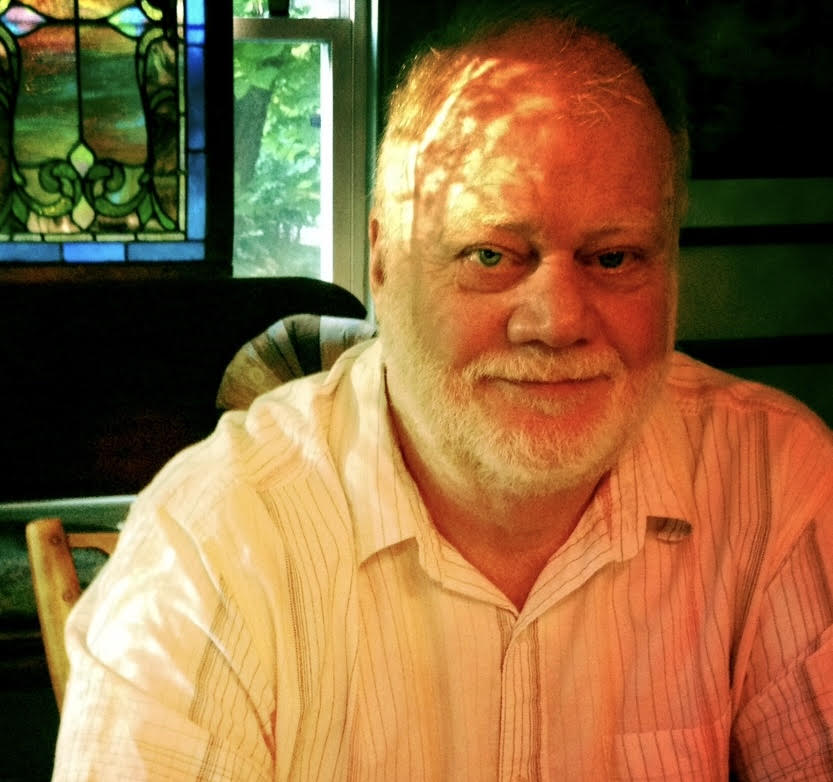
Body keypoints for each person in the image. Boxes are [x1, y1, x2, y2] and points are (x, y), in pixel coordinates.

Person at [52, 3, 833, 780]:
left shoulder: (776, 486)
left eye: (616, 257)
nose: (558, 322)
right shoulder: (211, 551)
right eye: (491, 255)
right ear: (383, 262)